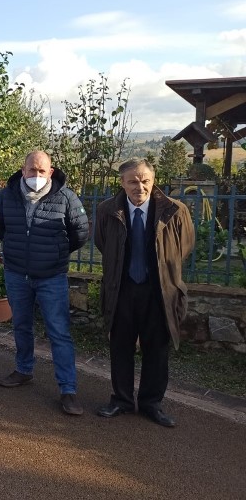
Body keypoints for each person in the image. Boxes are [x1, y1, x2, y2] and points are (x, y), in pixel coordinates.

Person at [94, 159, 194, 427]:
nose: (140, 187)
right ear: (122, 183)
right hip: (122, 289)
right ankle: (122, 400)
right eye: (133, 181)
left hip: (159, 291)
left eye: (145, 181)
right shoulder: (107, 210)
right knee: (120, 347)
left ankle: (151, 404)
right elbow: (103, 243)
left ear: (153, 180)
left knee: (157, 349)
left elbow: (184, 246)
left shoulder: (175, 211)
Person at [0, 151, 89, 416]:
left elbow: (80, 233)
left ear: (50, 172)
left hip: (51, 276)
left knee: (59, 332)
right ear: (23, 171)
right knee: (21, 325)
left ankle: (68, 389)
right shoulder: (7, 196)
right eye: (32, 170)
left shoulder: (66, 197)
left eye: (41, 171)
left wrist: (55, 252)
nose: (36, 175)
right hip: (16, 274)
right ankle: (23, 369)